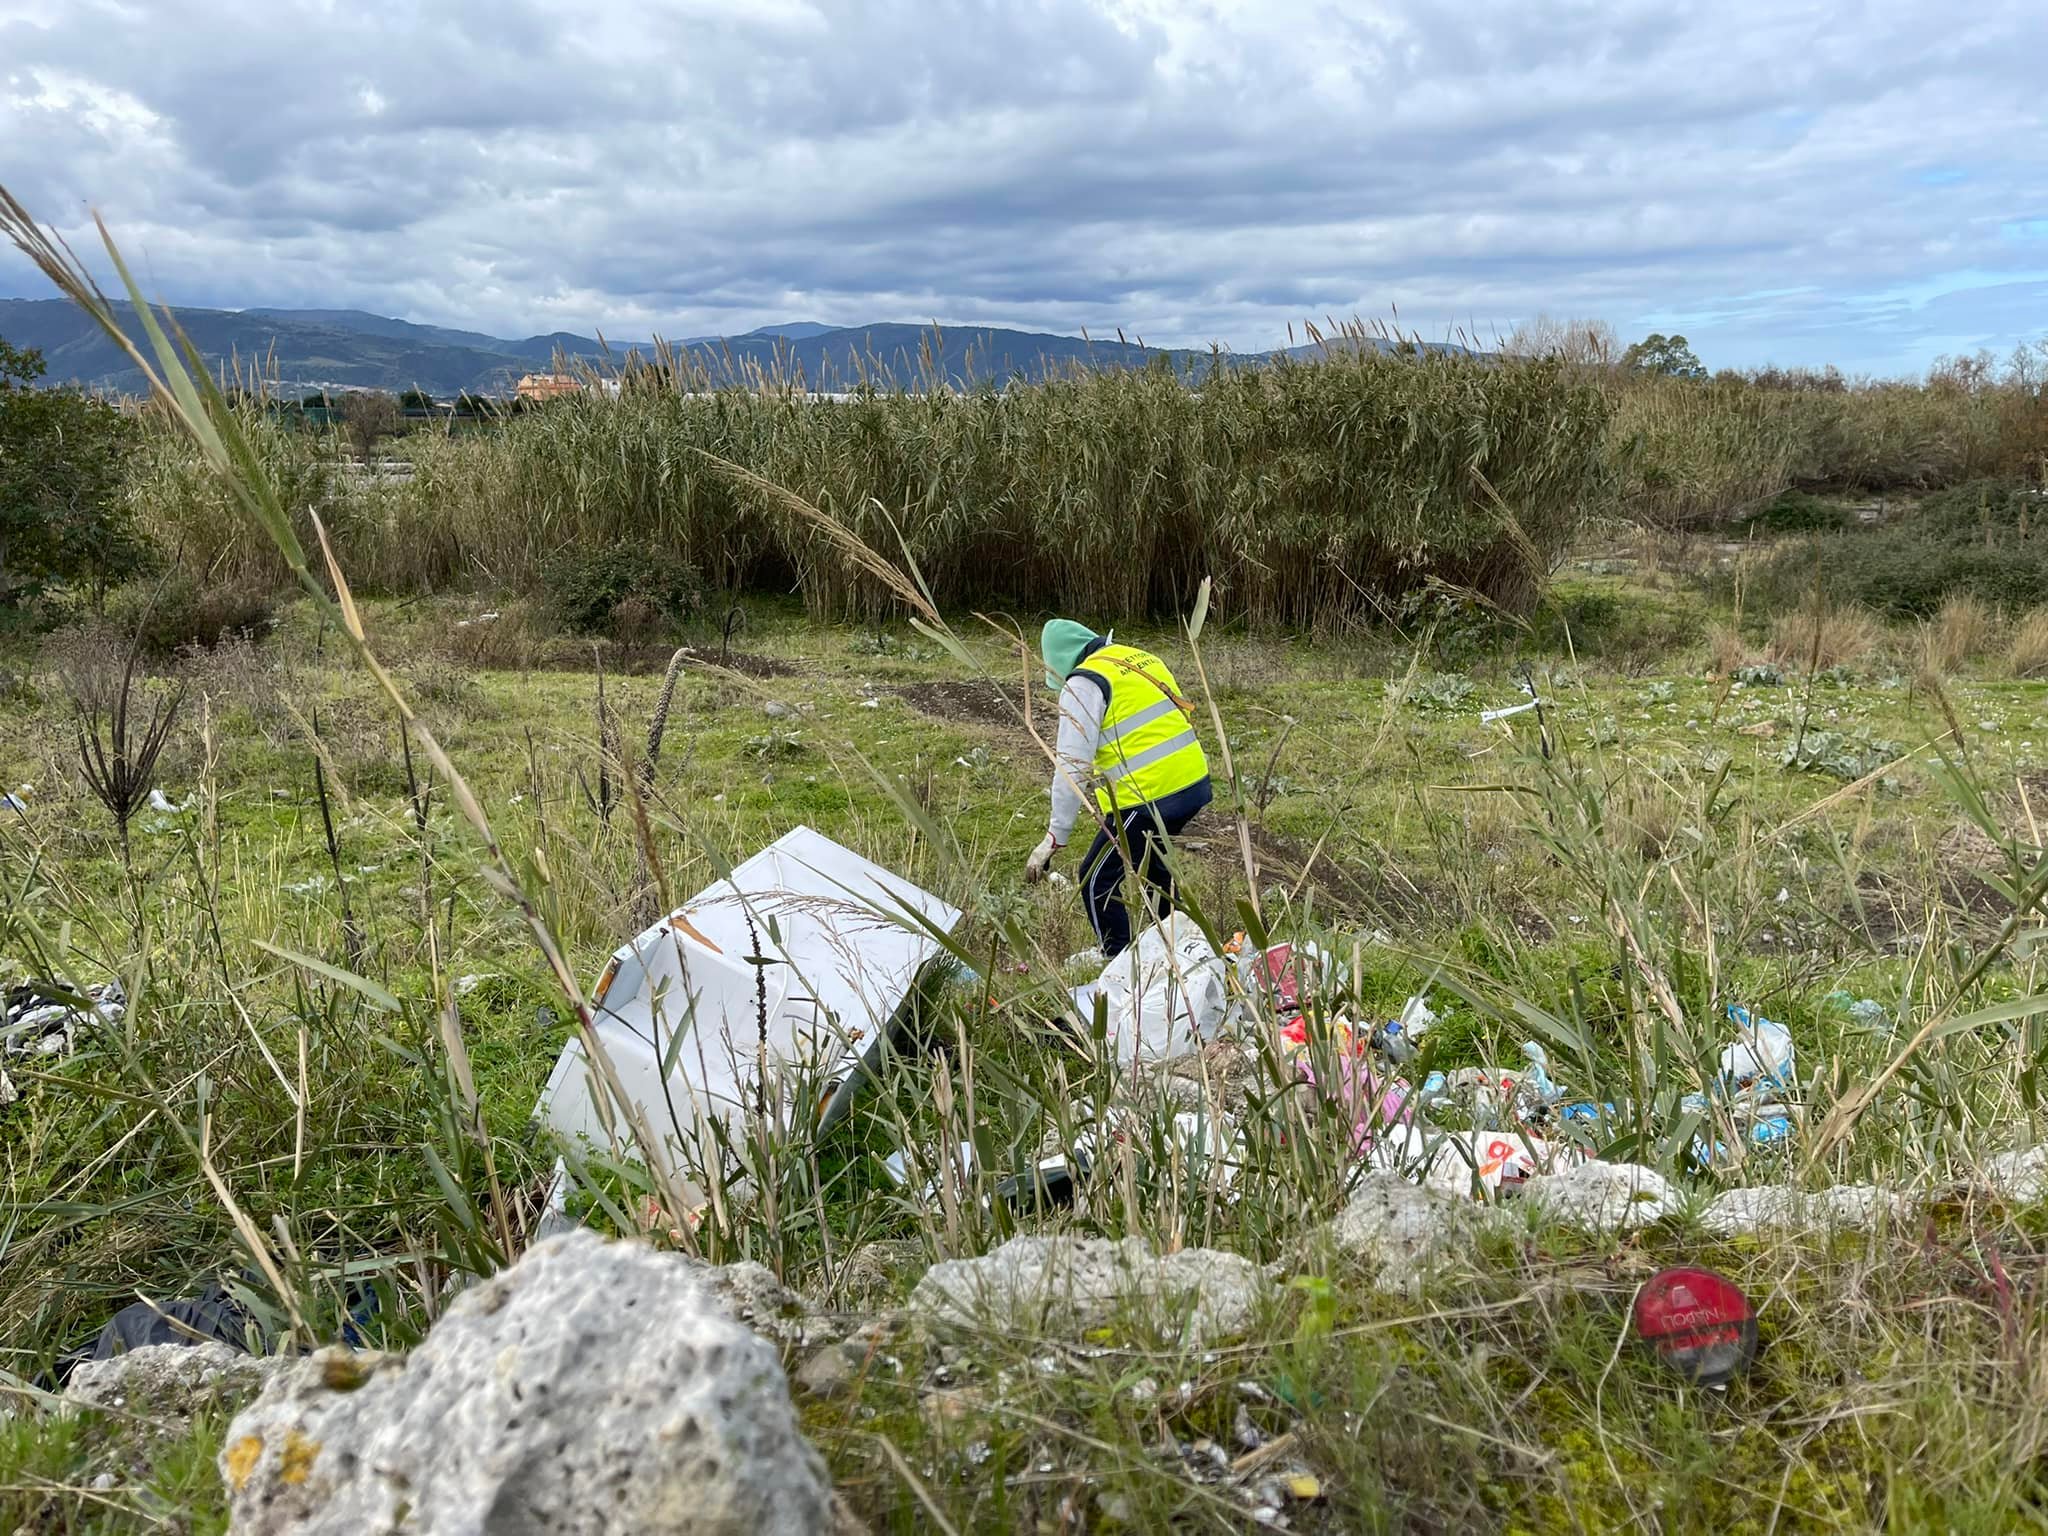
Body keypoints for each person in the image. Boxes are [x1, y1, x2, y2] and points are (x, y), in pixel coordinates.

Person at [1024, 619, 1212, 958]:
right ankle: (1180, 948)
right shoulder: (1136, 658)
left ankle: (1114, 956)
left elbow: (1071, 768)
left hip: (1150, 795)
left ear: (1059, 661)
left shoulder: (1084, 683)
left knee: (1096, 877)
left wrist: (1055, 836)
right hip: (1193, 782)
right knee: (1155, 867)